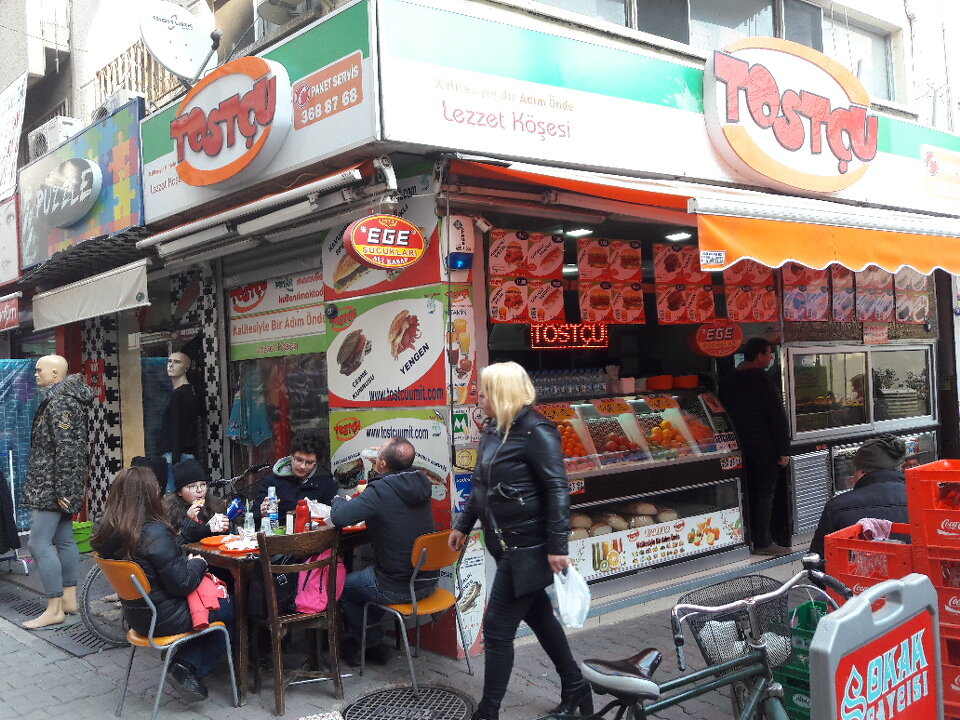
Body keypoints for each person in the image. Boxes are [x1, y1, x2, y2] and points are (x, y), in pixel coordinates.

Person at [449, 362, 590, 720]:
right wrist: (463, 525)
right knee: (539, 616)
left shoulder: (536, 431)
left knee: (497, 631)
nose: (479, 398)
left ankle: (488, 712)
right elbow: (481, 485)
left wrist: (557, 546)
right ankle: (575, 685)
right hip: (503, 543)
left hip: (527, 547)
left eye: (484, 392)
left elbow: (557, 489)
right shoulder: (494, 428)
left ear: (503, 394)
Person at [91, 466, 233, 703]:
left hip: (136, 615)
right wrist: (198, 564)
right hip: (165, 617)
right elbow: (183, 584)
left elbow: (163, 562)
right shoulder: (153, 531)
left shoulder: (105, 529)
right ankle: (187, 666)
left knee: (214, 606)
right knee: (228, 607)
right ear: (149, 496)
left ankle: (186, 662)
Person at [329, 436, 436, 667]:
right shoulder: (421, 480)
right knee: (366, 583)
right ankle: (370, 641)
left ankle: (371, 643)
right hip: (428, 581)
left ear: (383, 464)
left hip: (397, 587)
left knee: (344, 587)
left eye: (379, 454)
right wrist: (381, 460)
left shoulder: (381, 490)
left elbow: (340, 517)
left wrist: (337, 499)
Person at [21, 354, 94, 629]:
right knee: (64, 540)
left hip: (50, 486)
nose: (35, 374)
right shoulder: (63, 400)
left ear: (55, 374)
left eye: (39, 370)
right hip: (54, 483)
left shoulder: (61, 402)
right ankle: (69, 600)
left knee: (38, 544)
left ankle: (54, 608)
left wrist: (64, 488)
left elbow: (68, 448)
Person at [718, 338, 792, 555]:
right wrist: (784, 450)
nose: (771, 358)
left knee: (746, 494)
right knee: (764, 496)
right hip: (765, 450)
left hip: (738, 449)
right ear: (759, 356)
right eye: (769, 354)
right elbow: (777, 417)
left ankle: (746, 539)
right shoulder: (762, 380)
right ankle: (763, 542)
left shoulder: (728, 381)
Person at [809, 436, 909, 559]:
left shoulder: (836, 507)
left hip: (855, 571)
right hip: (917, 571)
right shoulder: (922, 500)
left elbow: (817, 560)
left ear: (862, 472)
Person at [253, 431, 337, 524]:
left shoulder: (326, 483)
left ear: (316, 462)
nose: (302, 466)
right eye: (299, 460)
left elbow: (332, 519)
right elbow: (254, 517)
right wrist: (262, 513)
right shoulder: (272, 481)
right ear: (291, 456)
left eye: (309, 462)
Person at [163, 459, 229, 545]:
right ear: (179, 492)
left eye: (203, 484)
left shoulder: (214, 506)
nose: (200, 490)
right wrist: (190, 523)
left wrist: (222, 529)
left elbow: (221, 541)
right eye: (192, 486)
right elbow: (174, 547)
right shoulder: (171, 513)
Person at [160, 352, 200, 492]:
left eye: (177, 362)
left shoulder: (180, 395)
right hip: (183, 455)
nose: (171, 365)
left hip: (176, 455)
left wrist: (175, 461)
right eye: (169, 361)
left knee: (172, 496)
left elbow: (177, 430)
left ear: (186, 367)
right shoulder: (187, 392)